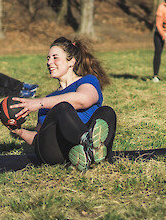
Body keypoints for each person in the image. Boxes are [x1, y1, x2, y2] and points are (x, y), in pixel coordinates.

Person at [9, 37, 117, 171]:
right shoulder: (49, 100)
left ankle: (90, 153)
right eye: (48, 58)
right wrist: (19, 131)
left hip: (82, 139)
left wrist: (39, 103)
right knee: (62, 107)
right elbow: (38, 138)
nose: (49, 62)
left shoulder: (87, 81)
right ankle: (87, 148)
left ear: (71, 62)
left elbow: (83, 100)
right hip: (56, 152)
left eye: (55, 58)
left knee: (107, 112)